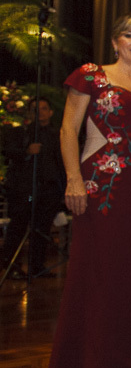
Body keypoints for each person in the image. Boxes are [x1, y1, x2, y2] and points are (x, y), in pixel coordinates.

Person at [43, 13, 131, 368]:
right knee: (99, 269)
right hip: (101, 185)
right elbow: (68, 130)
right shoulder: (91, 76)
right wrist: (74, 179)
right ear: (115, 41)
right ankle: (92, 365)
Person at [1, 97, 63, 279]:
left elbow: (61, 162)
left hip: (48, 190)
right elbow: (8, 152)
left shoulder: (57, 135)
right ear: (29, 113)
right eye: (35, 109)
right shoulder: (21, 133)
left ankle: (37, 266)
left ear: (50, 112)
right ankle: (11, 266)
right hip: (24, 190)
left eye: (43, 108)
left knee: (42, 229)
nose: (40, 113)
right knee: (18, 227)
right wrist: (27, 152)